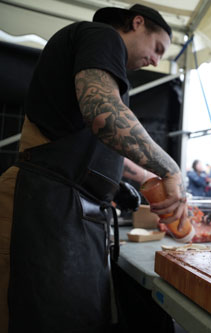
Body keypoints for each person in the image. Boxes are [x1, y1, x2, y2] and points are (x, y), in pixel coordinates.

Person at [0, 4, 189, 332]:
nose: (158, 60)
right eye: (157, 47)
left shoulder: (103, 62)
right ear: (137, 22)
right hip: (41, 205)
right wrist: (171, 168)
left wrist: (148, 177)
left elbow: (104, 144)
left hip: (73, 215)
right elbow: (103, 113)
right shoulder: (101, 36)